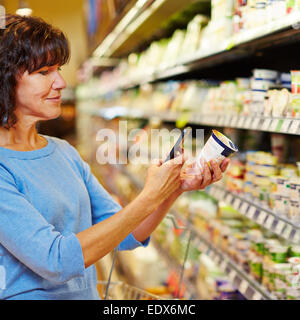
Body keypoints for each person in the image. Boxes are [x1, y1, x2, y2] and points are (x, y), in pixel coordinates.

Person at [0, 14, 229, 300]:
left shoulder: (64, 152)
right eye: (44, 72)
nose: (60, 82)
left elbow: (126, 233)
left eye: (58, 69)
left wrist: (172, 189)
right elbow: (55, 260)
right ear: (5, 80)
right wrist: (148, 195)